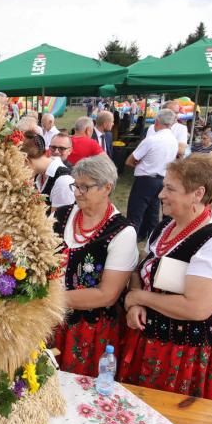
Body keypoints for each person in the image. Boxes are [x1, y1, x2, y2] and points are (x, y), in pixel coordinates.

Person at [119, 157, 212, 400]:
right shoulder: (165, 227)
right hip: (146, 337)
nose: (161, 194)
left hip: (181, 350)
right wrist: (136, 305)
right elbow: (140, 269)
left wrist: (139, 297)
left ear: (198, 194)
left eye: (170, 189)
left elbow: (197, 308)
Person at [51, 156, 137, 376]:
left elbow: (106, 295)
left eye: (85, 187)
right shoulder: (60, 215)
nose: (77, 192)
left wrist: (49, 300)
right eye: (75, 185)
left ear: (107, 188)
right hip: (49, 320)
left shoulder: (121, 232)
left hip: (88, 329)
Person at [125, 108, 180, 241]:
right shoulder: (174, 141)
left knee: (135, 212)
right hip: (162, 179)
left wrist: (140, 164)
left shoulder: (151, 139)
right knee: (152, 213)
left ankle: (130, 239)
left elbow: (129, 161)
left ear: (156, 122)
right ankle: (152, 239)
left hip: (146, 179)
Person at [22, 131, 74, 212]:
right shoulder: (39, 174)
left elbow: (57, 219)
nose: (56, 151)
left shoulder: (63, 181)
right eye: (53, 147)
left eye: (62, 148)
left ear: (25, 160)